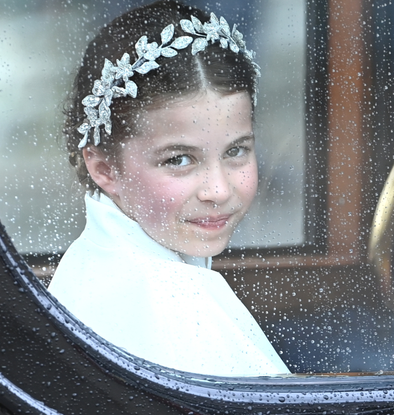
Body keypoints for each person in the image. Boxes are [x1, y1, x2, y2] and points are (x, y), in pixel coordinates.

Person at [48, 0, 290, 377]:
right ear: (104, 168)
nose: (218, 190)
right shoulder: (170, 309)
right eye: (179, 160)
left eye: (236, 151)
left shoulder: (102, 260)